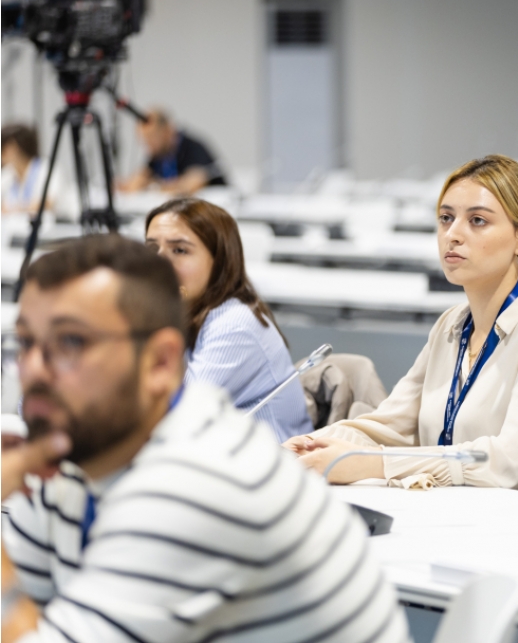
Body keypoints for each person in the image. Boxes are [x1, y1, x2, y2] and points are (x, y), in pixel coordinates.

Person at [1, 234, 408, 642]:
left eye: (71, 342)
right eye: (26, 342)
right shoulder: (77, 452)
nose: (33, 368)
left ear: (160, 362)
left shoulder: (198, 481)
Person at [285, 155, 518, 498]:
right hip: (458, 512)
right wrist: (310, 445)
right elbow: (386, 427)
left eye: (477, 221)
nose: (452, 234)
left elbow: (507, 462)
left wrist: (374, 464)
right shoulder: (452, 325)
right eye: (446, 218)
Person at [145, 198, 312, 442]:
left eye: (179, 250)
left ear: (219, 262)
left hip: (274, 458)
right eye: (152, 249)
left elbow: (176, 414)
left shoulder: (234, 324)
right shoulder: (186, 313)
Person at [118, 109, 226, 194]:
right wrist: (129, 184)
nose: (149, 147)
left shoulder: (193, 147)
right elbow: (142, 177)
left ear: (167, 131)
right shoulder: (158, 154)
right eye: (146, 141)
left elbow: (192, 184)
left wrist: (155, 185)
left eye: (152, 139)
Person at [1, 124, 75, 221]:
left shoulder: (47, 168)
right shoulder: (8, 174)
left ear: (13, 147)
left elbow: (48, 203)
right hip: (19, 228)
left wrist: (15, 209)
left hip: (57, 226)